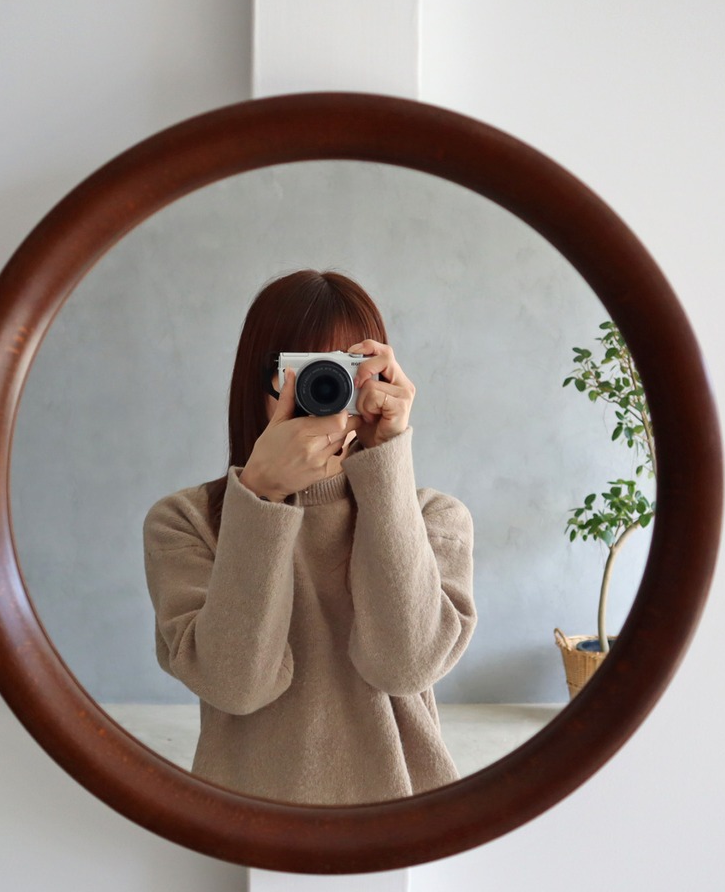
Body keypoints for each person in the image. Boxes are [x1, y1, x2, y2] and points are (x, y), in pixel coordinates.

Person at [142, 269, 476, 805]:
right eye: (302, 370)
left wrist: (387, 460)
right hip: (248, 823)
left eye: (346, 369)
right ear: (261, 380)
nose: (326, 389)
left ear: (381, 377)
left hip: (407, 818)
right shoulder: (187, 521)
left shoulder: (435, 517)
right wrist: (260, 497)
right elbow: (237, 686)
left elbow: (405, 665)